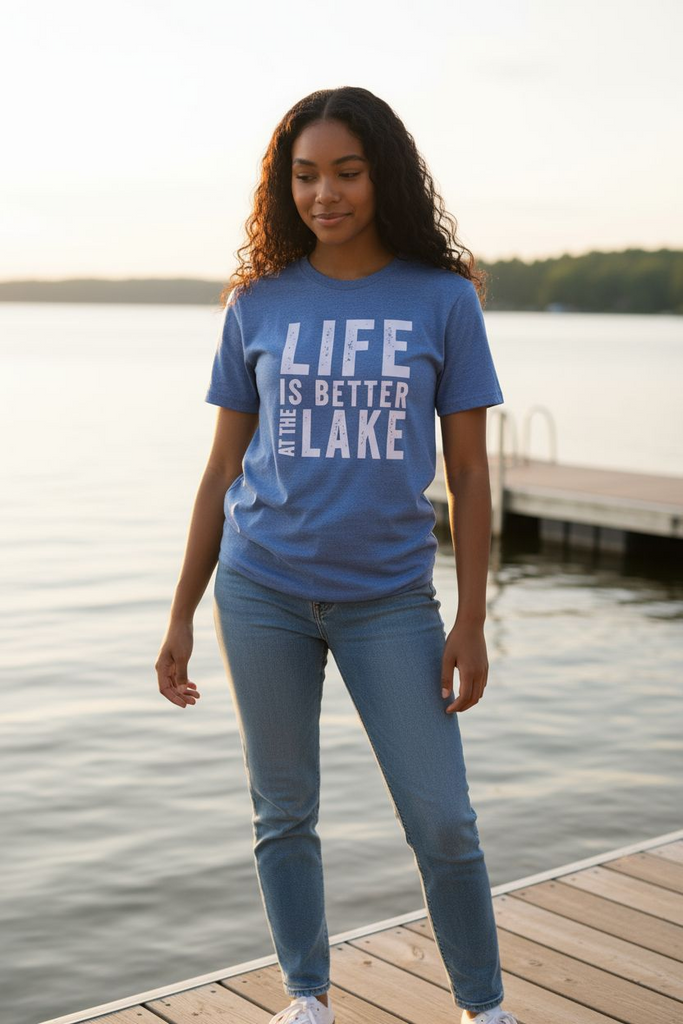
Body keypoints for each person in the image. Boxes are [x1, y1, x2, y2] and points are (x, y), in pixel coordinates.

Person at [155, 86, 518, 1024]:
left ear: (381, 175)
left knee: (443, 820)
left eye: (346, 173)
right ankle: (307, 999)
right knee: (283, 813)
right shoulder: (256, 302)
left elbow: (470, 479)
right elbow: (221, 470)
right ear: (285, 186)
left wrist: (470, 622)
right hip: (260, 588)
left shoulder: (442, 299)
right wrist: (179, 616)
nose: (326, 194)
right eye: (306, 175)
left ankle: (483, 1009)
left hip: (391, 600)